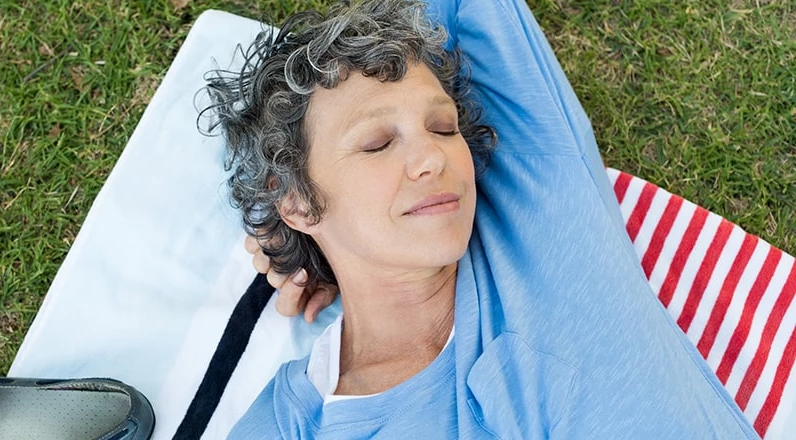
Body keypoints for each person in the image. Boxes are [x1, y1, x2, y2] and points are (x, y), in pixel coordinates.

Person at [203, 0, 761, 438]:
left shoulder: (539, 205)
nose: (432, 157)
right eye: (377, 143)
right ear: (298, 202)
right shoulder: (291, 423)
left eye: (444, 127)